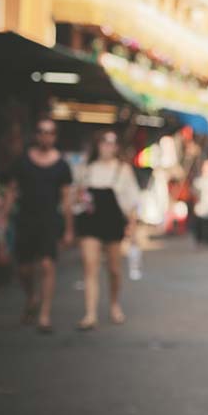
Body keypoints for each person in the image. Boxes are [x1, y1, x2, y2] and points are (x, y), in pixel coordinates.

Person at [2, 118, 73, 334]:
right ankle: (31, 297)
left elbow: (66, 198)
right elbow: (12, 191)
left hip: (49, 221)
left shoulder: (61, 165)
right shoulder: (23, 161)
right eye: (42, 131)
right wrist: (3, 217)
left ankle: (44, 314)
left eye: (50, 132)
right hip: (25, 219)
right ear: (36, 135)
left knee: (47, 265)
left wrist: (69, 229)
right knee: (24, 269)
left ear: (55, 137)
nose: (46, 136)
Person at [75, 130, 140, 330]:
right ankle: (90, 313)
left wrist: (133, 228)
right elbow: (75, 195)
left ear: (117, 147)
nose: (108, 146)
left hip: (113, 222)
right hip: (90, 221)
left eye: (112, 142)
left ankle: (114, 304)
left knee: (113, 269)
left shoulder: (123, 170)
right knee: (90, 265)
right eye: (104, 141)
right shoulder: (86, 169)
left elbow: (132, 202)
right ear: (98, 144)